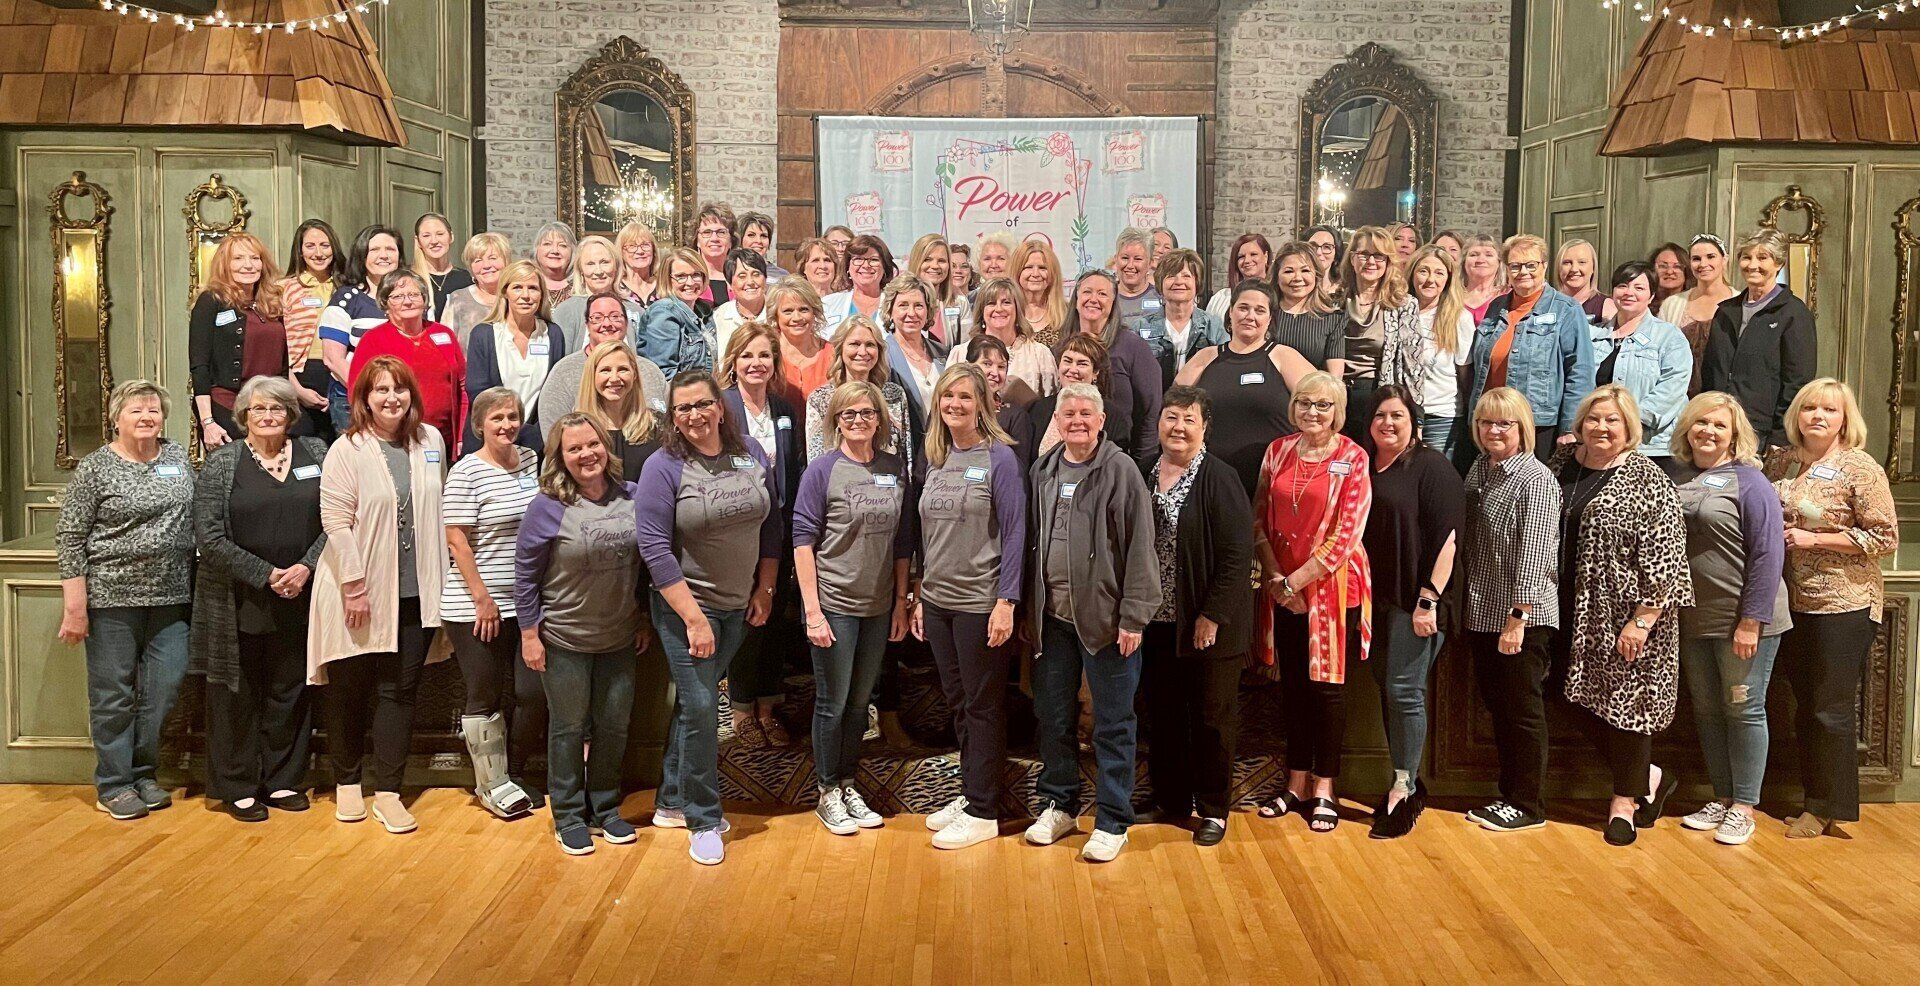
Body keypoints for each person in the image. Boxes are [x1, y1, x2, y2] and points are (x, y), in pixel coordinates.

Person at [636, 371, 783, 864]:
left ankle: (671, 800)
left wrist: (763, 589)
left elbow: (772, 525)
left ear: (721, 408)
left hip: (737, 605)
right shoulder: (664, 467)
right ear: (673, 419)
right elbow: (654, 548)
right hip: (685, 610)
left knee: (692, 709)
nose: (695, 416)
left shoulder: (751, 455)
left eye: (702, 405)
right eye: (683, 409)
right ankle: (702, 817)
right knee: (701, 709)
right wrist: (694, 619)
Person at [308, 356, 451, 835]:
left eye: (400, 389)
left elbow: (440, 508)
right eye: (381, 390)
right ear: (364, 399)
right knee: (350, 690)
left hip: (414, 593)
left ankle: (389, 789)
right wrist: (353, 586)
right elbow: (335, 523)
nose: (392, 398)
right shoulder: (346, 449)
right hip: (358, 591)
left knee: (399, 692)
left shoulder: (431, 441)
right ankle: (347, 782)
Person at [1547, 384, 1692, 845]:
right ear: (1580, 424)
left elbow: (1668, 556)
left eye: (1612, 420)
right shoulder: (1560, 466)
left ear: (1630, 427)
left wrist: (1643, 619)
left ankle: (1623, 804)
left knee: (1628, 708)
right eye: (1594, 418)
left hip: (1626, 615)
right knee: (1563, 695)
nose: (1602, 427)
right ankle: (1648, 776)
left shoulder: (1648, 478)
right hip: (1567, 605)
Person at [1024, 382, 1162, 863]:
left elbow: (1142, 547)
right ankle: (1060, 804)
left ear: (1102, 420)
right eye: (1069, 414)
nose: (1077, 421)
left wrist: (1134, 616)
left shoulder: (1121, 470)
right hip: (1052, 619)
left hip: (1107, 620)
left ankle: (1112, 820)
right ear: (1057, 422)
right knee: (1054, 716)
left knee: (1113, 723)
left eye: (1087, 413)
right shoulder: (1044, 469)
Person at [56, 381, 196, 821]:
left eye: (153, 410)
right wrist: (75, 606)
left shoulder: (176, 457)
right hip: (111, 599)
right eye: (135, 410)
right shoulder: (96, 468)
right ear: (116, 418)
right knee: (113, 694)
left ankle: (143, 773)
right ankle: (114, 783)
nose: (146, 417)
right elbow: (71, 536)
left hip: (172, 595)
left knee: (164, 689)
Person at [191, 378, 328, 823]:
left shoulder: (317, 454)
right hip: (240, 599)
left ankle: (283, 778)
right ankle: (238, 785)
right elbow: (208, 537)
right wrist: (266, 575)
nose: (268, 416)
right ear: (243, 415)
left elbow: (338, 520)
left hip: (303, 594)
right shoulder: (222, 464)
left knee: (290, 689)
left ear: (291, 414)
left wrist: (305, 567)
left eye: (277, 409)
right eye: (258, 409)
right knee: (238, 693)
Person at [516, 412, 649, 856]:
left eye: (592, 444)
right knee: (569, 728)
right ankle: (569, 814)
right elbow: (526, 578)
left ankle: (606, 809)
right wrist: (530, 635)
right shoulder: (548, 506)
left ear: (605, 447)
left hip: (619, 637)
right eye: (574, 449)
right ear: (561, 457)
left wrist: (644, 618)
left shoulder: (631, 496)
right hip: (564, 639)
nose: (586, 454)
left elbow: (646, 567)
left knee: (614, 727)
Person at [1773, 378, 1897, 839]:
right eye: (1810, 408)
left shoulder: (1859, 468)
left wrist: (1815, 538)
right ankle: (1813, 798)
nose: (1818, 417)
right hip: (1794, 602)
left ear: (1846, 419)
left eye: (1829, 409)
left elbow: (1885, 538)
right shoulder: (1784, 462)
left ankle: (1827, 808)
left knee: (1830, 709)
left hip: (1844, 603)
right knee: (1805, 707)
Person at [1252, 371, 1373, 834]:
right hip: (1282, 586)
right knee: (1294, 689)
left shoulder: (1353, 457)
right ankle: (1295, 782)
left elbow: (1348, 533)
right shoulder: (1277, 451)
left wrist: (1297, 582)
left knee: (1328, 691)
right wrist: (1277, 579)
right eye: (1304, 402)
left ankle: (1326, 787)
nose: (1312, 412)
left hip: (1332, 591)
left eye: (1323, 405)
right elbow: (1258, 516)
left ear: (1338, 411)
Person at [1669, 393, 1789, 846]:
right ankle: (1721, 797)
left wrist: (1751, 620)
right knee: (1707, 710)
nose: (1709, 432)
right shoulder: (1679, 477)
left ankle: (1744, 806)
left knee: (1743, 708)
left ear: (1735, 435)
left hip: (1744, 619)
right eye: (1701, 423)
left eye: (1720, 426)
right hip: (1694, 618)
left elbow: (1768, 553)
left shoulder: (1751, 483)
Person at [913, 364, 1026, 849]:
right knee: (959, 703)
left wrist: (1007, 601)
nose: (954, 404)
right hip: (938, 601)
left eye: (964, 396)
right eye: (947, 397)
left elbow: (1017, 531)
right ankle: (972, 791)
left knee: (982, 707)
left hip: (981, 602)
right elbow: (924, 532)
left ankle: (983, 812)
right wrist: (919, 592)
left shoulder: (999, 458)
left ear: (983, 403)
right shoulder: (934, 456)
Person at [793, 381, 912, 834]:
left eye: (866, 413)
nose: (858, 420)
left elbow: (902, 541)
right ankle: (828, 790)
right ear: (836, 421)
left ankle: (847, 783)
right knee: (833, 702)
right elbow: (802, 540)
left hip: (878, 605)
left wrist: (901, 602)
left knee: (861, 702)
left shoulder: (893, 467)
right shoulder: (821, 471)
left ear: (880, 419)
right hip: (835, 604)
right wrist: (813, 610)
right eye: (849, 415)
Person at [1140, 386, 1254, 846]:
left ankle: (1213, 809)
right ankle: (1169, 798)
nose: (1179, 427)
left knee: (1211, 717)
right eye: (1171, 417)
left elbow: (1236, 555)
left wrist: (1211, 614)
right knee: (1163, 715)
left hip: (1207, 624)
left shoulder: (1219, 478)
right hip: (1156, 620)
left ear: (1205, 427)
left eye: (1189, 419)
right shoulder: (1144, 471)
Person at [1358, 386, 1460, 838]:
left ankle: (1406, 786)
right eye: (1380, 415)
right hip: (1372, 599)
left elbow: (1449, 538)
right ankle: (1403, 776)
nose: (1388, 423)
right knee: (1387, 686)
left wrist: (1428, 600)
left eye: (1397, 415)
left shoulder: (1431, 466)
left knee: (1404, 690)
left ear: (1413, 421)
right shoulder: (1363, 463)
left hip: (1415, 600)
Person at [1460, 387, 1560, 832]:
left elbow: (1536, 553)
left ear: (1523, 429)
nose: (1494, 430)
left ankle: (1528, 805)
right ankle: (1508, 797)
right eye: (1486, 422)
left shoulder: (1535, 479)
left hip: (1521, 617)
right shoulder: (1480, 469)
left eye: (1505, 423)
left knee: (1521, 711)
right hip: (1482, 611)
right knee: (1500, 708)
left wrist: (1517, 618)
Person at [442, 387, 544, 820]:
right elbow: (456, 539)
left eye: (513, 417)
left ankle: (514, 772)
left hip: (526, 602)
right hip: (476, 605)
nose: (506, 426)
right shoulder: (467, 472)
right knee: (484, 695)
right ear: (479, 424)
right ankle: (491, 784)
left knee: (532, 692)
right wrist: (482, 600)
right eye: (497, 418)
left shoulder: (530, 462)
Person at [719, 323, 807, 749]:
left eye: (764, 356)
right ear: (733, 361)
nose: (756, 363)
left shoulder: (785, 407)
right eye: (747, 356)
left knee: (773, 617)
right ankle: (741, 710)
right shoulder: (722, 407)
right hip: (738, 532)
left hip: (782, 528)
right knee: (746, 620)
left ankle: (768, 706)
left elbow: (793, 463)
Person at [1173, 281, 1315, 494]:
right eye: (1243, 308)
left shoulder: (1284, 357)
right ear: (1230, 312)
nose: (1250, 316)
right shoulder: (1206, 357)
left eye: (1259, 310)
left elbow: (1328, 400)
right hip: (1214, 482)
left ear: (1270, 319)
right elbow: (1172, 408)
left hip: (1274, 480)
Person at [1464, 234, 1595, 456]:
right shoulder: (1496, 307)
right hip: (1491, 421)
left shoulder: (1566, 309)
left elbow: (1580, 370)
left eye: (1531, 265)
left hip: (1538, 423)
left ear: (1544, 266)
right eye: (1515, 266)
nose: (1523, 272)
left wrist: (1570, 426)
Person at [1700, 230, 1816, 453]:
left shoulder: (1794, 314)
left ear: (1779, 263)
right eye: (1746, 257)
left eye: (1762, 258)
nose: (1753, 265)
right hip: (1718, 426)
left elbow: (1798, 381)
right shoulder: (1726, 311)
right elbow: (1711, 372)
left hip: (1761, 432)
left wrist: (1780, 436)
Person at [190, 232, 289, 450]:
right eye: (238, 258)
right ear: (225, 264)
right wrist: (208, 422)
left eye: (255, 258)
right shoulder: (211, 301)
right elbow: (199, 365)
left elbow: (284, 364)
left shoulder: (273, 303)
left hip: (270, 405)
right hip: (227, 406)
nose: (248, 265)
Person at [348, 270, 467, 451]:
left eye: (414, 294)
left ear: (424, 299)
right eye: (398, 296)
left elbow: (462, 388)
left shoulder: (444, 334)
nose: (408, 301)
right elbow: (357, 394)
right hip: (394, 441)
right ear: (385, 303)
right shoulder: (373, 340)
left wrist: (461, 436)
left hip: (444, 440)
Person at [1059, 268, 1162, 464]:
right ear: (1076, 299)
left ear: (1113, 302)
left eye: (1102, 294)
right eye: (1087, 292)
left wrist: (1142, 465)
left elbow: (1150, 411)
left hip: (1120, 456)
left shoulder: (1133, 347)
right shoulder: (1062, 346)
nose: (1093, 299)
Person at [1590, 260, 1690, 460]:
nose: (1629, 292)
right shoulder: (1593, 335)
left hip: (1650, 446)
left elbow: (1673, 387)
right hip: (1600, 443)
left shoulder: (1668, 336)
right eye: (1622, 286)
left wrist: (1629, 423)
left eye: (1639, 287)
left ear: (1651, 295)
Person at [465, 260, 565, 456]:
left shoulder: (553, 334)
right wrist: (509, 426)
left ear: (542, 294)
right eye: (517, 287)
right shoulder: (483, 334)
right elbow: (478, 392)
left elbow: (555, 391)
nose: (525, 295)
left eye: (533, 288)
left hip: (537, 444)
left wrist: (532, 433)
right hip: (489, 443)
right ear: (505, 292)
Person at [538, 293, 668, 430]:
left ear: (626, 323)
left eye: (615, 317)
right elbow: (553, 431)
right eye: (597, 318)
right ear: (587, 325)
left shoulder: (649, 370)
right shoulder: (565, 372)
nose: (607, 324)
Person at [320, 224, 404, 434]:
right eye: (374, 250)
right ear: (361, 256)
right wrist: (371, 394)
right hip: (354, 402)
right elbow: (332, 359)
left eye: (390, 249)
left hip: (400, 402)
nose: (383, 255)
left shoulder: (411, 296)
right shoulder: (346, 298)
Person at [1339, 226, 1421, 430]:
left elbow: (1412, 365)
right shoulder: (1334, 300)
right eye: (1364, 254)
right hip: (1336, 396)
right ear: (1352, 258)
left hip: (1379, 397)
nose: (1371, 262)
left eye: (1379, 256)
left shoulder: (1403, 304)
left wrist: (1417, 420)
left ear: (1388, 262)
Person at [806, 316, 910, 465]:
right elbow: (815, 459)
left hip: (887, 481)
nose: (863, 352)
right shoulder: (820, 399)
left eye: (870, 345)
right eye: (854, 344)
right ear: (840, 349)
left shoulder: (895, 395)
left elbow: (906, 455)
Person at [1404, 246, 1475, 456]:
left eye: (1439, 273)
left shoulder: (1459, 318)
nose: (1430, 279)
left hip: (1441, 415)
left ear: (1448, 279)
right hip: (1402, 412)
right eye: (1423, 271)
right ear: (1412, 273)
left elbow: (1465, 375)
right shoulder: (1398, 312)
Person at [1660, 234, 1739, 395]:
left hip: (1725, 395)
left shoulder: (1739, 302)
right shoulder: (1672, 304)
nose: (1703, 264)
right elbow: (1660, 350)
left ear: (1724, 260)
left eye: (1711, 257)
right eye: (1696, 259)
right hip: (1679, 394)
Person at [284, 219, 341, 440]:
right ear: (299, 251)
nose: (318, 253)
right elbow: (277, 347)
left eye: (325, 245)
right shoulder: (284, 289)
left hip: (340, 378)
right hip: (299, 379)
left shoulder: (347, 287)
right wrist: (296, 390)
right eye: (310, 246)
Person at [1137, 249, 1226, 381]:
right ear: (1161, 283)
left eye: (1186, 276)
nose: (1179, 282)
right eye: (1171, 275)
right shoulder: (1141, 327)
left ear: (1197, 283)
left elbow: (1226, 370)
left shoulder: (1213, 326)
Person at [882, 276, 946, 451]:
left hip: (944, 449)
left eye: (918, 305)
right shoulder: (882, 355)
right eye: (903, 305)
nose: (912, 313)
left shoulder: (944, 353)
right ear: (890, 310)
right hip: (905, 452)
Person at [967, 276, 1055, 401]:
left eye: (1006, 302)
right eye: (991, 303)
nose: (999, 309)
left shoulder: (1040, 354)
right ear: (981, 311)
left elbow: (1051, 405)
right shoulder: (960, 353)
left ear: (1017, 309)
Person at [636, 247, 717, 379]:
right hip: (681, 397)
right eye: (681, 277)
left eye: (696, 275)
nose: (690, 283)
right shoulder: (664, 313)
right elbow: (664, 375)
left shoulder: (704, 311)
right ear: (667, 279)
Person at [964, 335, 1039, 473]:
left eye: (1001, 367)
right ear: (968, 365)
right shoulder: (951, 409)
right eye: (987, 364)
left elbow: (1019, 472)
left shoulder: (1015, 417)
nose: (995, 373)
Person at [1270, 241, 1347, 374]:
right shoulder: (1264, 315)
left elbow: (1335, 377)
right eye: (1289, 271)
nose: (1297, 278)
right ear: (1277, 276)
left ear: (1316, 276)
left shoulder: (1333, 318)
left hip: (1311, 393)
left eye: (1305, 270)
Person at [1030, 333, 1110, 459]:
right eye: (1067, 361)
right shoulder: (1039, 409)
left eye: (1082, 364)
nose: (1073, 369)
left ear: (1095, 372)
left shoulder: (1115, 416)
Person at [551, 235, 637, 351]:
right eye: (590, 264)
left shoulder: (636, 311)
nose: (598, 271)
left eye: (604, 262)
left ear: (616, 266)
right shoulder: (566, 312)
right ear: (581, 270)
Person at [438, 232, 513, 349]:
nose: (486, 265)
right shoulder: (458, 299)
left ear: (506, 261)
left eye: (492, 258)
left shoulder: (517, 296)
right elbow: (445, 345)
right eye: (478, 260)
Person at [766, 277, 833, 408]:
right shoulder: (767, 354)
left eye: (803, 309)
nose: (796, 318)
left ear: (814, 312)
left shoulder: (832, 354)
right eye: (788, 311)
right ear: (775, 316)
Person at [822, 234, 895, 332]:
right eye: (858, 259)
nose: (866, 265)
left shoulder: (895, 304)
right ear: (848, 266)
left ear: (884, 267)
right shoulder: (827, 304)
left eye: (874, 260)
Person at [712, 248, 770, 360]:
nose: (750, 282)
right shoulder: (718, 317)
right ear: (729, 283)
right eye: (742, 276)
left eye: (756, 274)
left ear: (765, 278)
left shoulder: (778, 313)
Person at [412, 213, 473, 320]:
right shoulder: (408, 278)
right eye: (426, 236)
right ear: (418, 241)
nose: (434, 241)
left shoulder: (467, 279)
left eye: (440, 234)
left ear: (451, 237)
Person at [905, 233, 961, 346]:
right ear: (917, 262)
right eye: (927, 259)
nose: (935, 266)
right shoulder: (898, 299)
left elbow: (966, 346)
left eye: (941, 261)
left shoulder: (959, 301)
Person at [1012, 238, 1069, 347]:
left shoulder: (1067, 313)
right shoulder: (1006, 311)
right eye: (1028, 267)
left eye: (1042, 268)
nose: (1035, 274)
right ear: (1017, 271)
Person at [1204, 232, 1271, 321]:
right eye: (1241, 257)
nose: (1247, 260)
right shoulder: (1221, 298)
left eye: (1253, 254)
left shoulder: (1278, 296)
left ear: (1266, 256)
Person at [1110, 228, 1162, 331]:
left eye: (1138, 259)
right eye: (1125, 258)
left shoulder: (1162, 298)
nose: (1130, 265)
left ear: (1150, 262)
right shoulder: (1105, 296)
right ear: (1116, 259)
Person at [1555, 238, 1613, 324]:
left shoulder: (1606, 306)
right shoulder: (1547, 304)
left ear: (1593, 267)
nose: (1574, 269)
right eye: (1567, 262)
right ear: (1559, 267)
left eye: (1582, 262)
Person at [694, 203, 738, 304]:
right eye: (706, 232)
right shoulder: (689, 278)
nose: (714, 238)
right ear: (697, 241)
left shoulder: (740, 277)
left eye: (721, 232)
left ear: (731, 240)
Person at [1460, 233, 1507, 326]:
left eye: (1489, 255)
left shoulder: (1508, 296)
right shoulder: (1451, 296)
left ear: (1499, 262)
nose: (1481, 260)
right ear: (1464, 262)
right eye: (1473, 255)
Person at [530, 222, 577, 305]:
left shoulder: (580, 287)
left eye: (562, 245)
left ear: (572, 252)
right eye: (547, 244)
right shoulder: (527, 283)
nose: (555, 251)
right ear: (536, 250)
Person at [616, 221, 661, 307]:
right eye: (632, 246)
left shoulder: (664, 285)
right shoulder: (615, 288)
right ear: (621, 252)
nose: (640, 251)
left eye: (645, 245)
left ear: (653, 250)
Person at [736, 211, 788, 279]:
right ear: (740, 239)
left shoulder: (782, 275)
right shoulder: (731, 271)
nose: (758, 241)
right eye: (751, 235)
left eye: (763, 236)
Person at [1648, 241, 1693, 312]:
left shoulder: (1694, 306)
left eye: (1677, 266)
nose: (1669, 272)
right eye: (1663, 266)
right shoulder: (1642, 305)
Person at [793, 236, 841, 301]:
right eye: (815, 260)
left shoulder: (844, 300)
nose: (823, 266)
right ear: (803, 268)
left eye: (827, 260)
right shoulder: (796, 300)